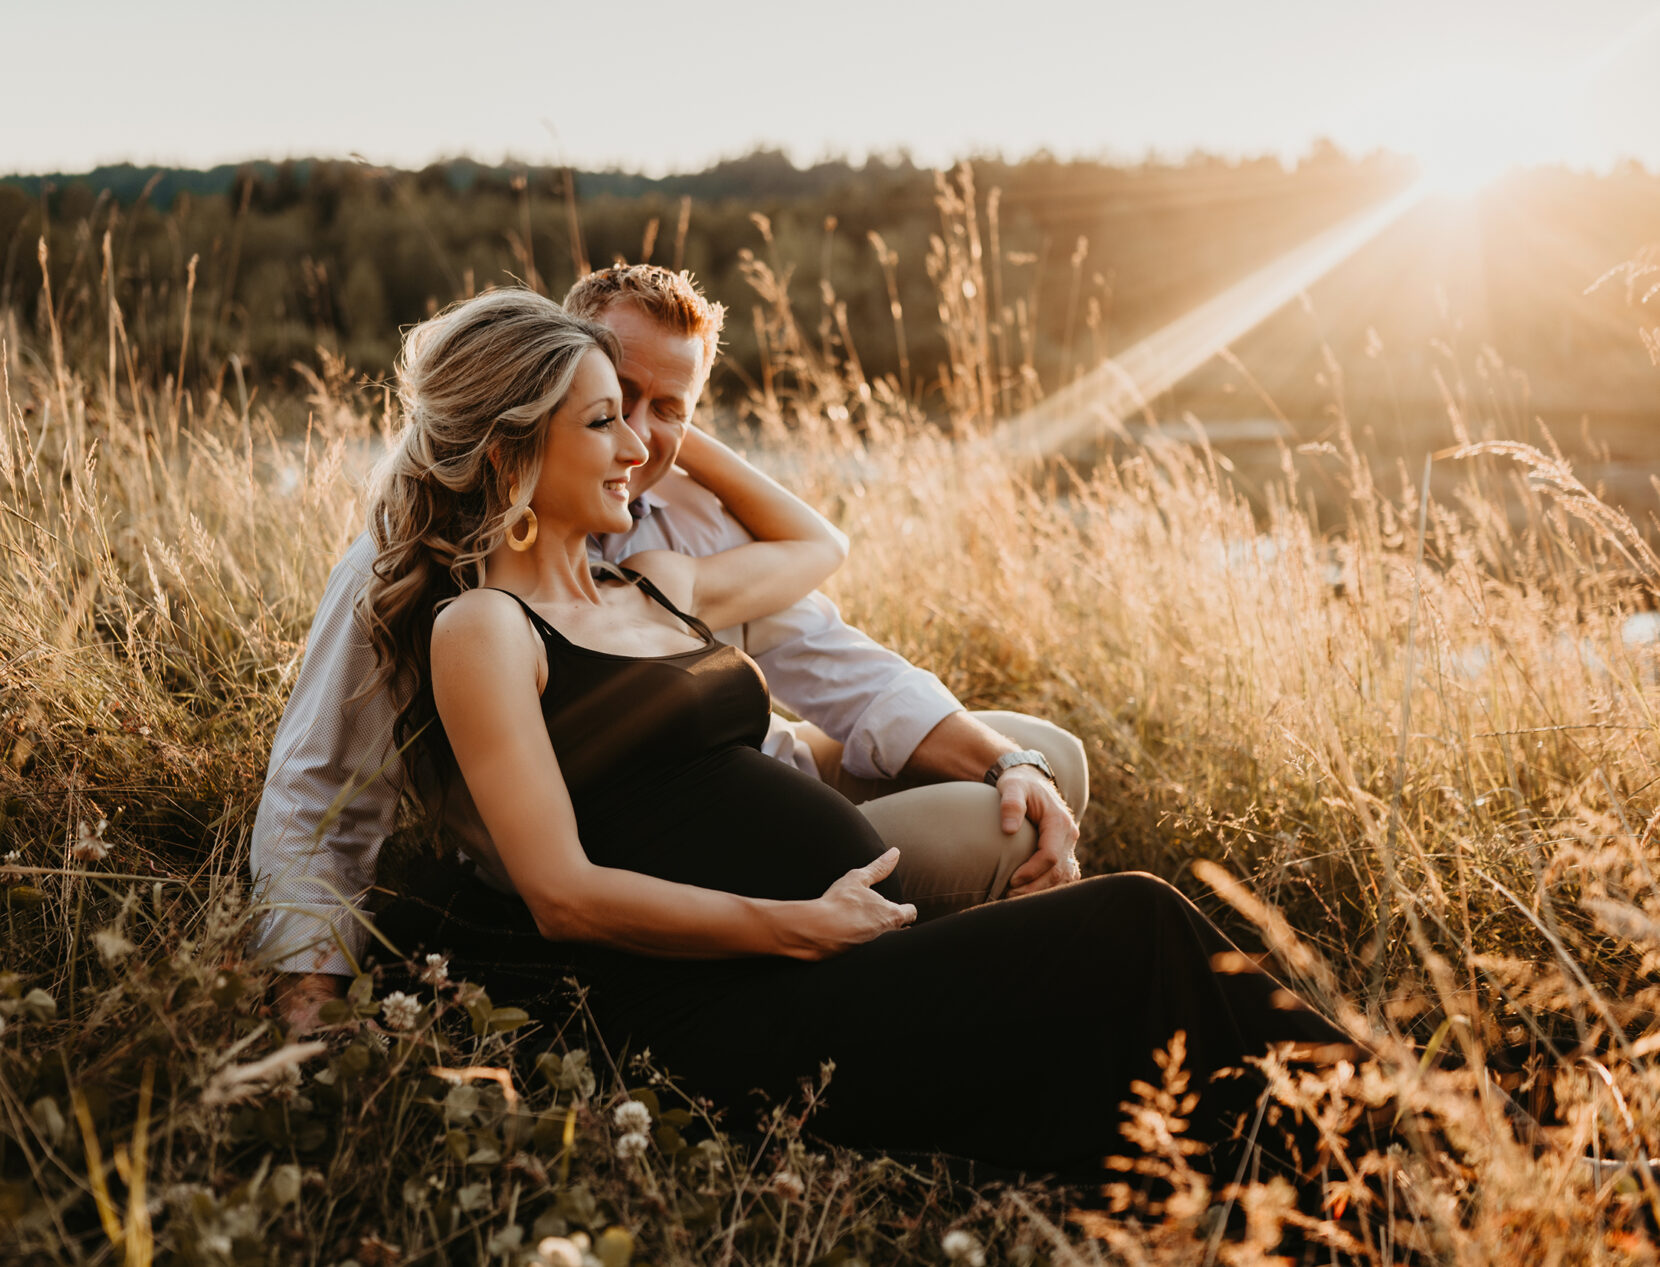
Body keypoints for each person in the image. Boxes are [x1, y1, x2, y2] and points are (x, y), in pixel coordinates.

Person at [316, 287, 1359, 1180]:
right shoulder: (485, 627)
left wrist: (676, 427)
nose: (641, 447)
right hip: (727, 1000)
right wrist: (792, 924)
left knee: (1126, 956)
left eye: (653, 418)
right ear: (509, 450)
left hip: (820, 951)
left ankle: (1356, 1129)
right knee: (1134, 923)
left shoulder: (652, 583)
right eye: (604, 422)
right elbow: (561, 893)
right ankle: (1359, 1131)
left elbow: (817, 546)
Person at [252, 265, 1087, 1032]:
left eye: (670, 408)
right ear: (551, 384)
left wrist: (1010, 762)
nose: (639, 441)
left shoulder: (673, 531)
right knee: (1005, 831)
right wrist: (306, 1000)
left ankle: (954, 939)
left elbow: (845, 660)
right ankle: (943, 971)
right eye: (614, 399)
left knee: (1046, 756)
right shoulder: (422, 576)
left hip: (765, 777)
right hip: (681, 856)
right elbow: (320, 782)